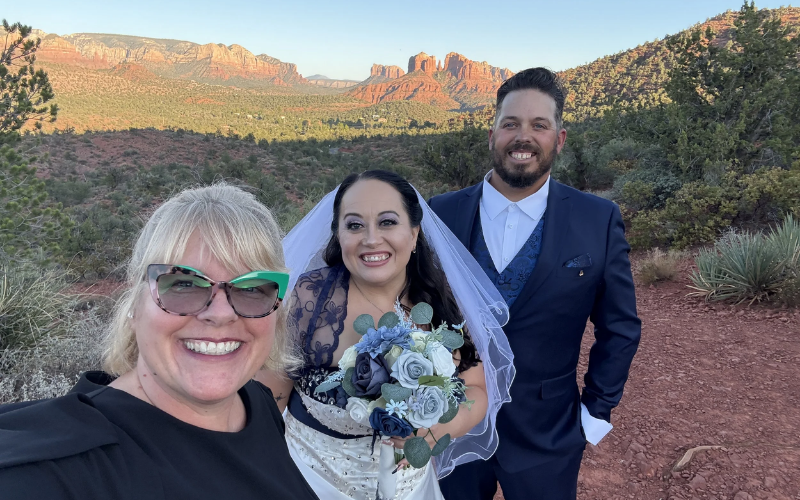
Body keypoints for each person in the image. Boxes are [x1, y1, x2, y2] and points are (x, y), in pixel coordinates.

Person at [0, 183, 320, 500]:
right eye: (183, 284)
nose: (221, 314)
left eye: (252, 288)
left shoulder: (255, 402)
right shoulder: (60, 471)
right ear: (135, 304)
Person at [430, 68, 642, 500]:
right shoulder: (440, 214)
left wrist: (595, 413)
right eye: (511, 124)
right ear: (492, 135)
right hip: (450, 423)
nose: (523, 136)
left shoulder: (597, 219)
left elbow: (620, 327)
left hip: (549, 433)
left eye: (538, 125)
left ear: (558, 140)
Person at [257, 170, 515, 500]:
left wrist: (437, 430)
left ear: (414, 233)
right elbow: (270, 398)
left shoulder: (439, 302)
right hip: (310, 483)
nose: (371, 239)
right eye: (354, 225)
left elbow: (475, 389)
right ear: (338, 234)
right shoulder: (310, 300)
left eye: (388, 222)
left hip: (410, 489)